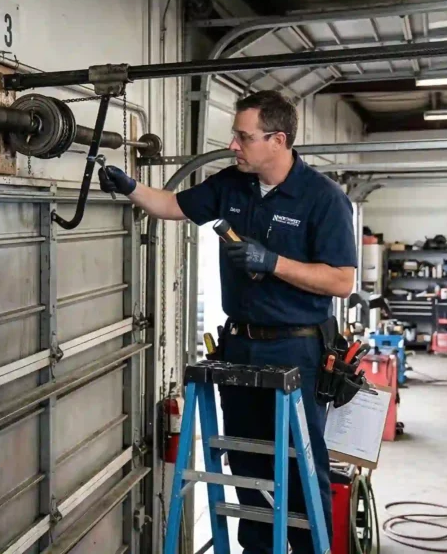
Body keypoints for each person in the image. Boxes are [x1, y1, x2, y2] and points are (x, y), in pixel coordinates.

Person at [98, 90, 356, 553]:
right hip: (239, 345)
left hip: (297, 349)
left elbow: (341, 280)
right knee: (245, 461)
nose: (233, 145)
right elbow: (172, 205)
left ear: (278, 140)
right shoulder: (232, 185)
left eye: (243, 137)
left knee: (299, 465)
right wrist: (129, 187)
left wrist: (273, 263)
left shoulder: (324, 198)